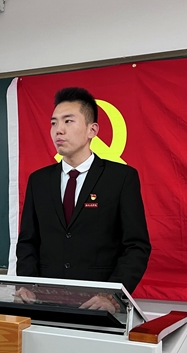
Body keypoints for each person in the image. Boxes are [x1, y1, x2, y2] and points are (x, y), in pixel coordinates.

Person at [16, 87, 151, 312]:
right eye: (54, 123)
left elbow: (136, 246)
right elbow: (28, 242)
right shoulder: (39, 180)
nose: (58, 130)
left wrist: (112, 297)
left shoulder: (120, 178)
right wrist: (27, 285)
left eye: (68, 121)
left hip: (98, 306)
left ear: (92, 130)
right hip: (45, 304)